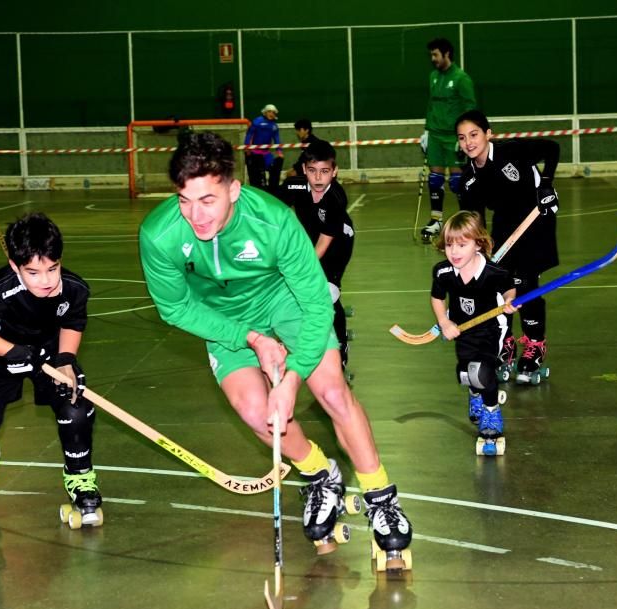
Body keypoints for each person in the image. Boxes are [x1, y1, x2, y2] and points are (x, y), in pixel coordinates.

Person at [139, 132, 412, 568]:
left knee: (332, 391)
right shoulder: (160, 235)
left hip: (284, 300)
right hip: (225, 322)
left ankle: (381, 497)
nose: (195, 215)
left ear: (233, 188)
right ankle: (320, 475)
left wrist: (293, 375)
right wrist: (251, 338)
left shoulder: (273, 220)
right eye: (185, 200)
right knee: (255, 411)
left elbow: (315, 301)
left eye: (207, 200)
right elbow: (175, 307)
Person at [0, 213, 102, 527]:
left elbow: (72, 323)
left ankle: (80, 479)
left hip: (47, 354)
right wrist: (15, 351)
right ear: (15, 266)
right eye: (33, 272)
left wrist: (65, 360)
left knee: (75, 406)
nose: (46, 281)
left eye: (53, 268)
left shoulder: (74, 289)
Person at [455, 110, 560, 385]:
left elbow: (552, 148)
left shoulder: (512, 151)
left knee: (525, 282)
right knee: (500, 285)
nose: (469, 142)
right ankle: (507, 343)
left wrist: (546, 185)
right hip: (504, 227)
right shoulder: (468, 179)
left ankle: (535, 344)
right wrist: (477, 254)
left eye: (474, 135)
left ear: (488, 134)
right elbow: (474, 221)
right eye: (462, 138)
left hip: (535, 217)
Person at [431, 211, 517, 454]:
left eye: (461, 244)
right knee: (465, 373)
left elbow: (509, 290)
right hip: (462, 329)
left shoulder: (494, 272)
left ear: (478, 243)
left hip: (491, 328)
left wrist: (510, 302)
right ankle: (475, 394)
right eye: (449, 245)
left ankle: (491, 413)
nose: (454, 252)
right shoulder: (443, 272)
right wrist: (444, 322)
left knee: (482, 371)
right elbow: (437, 298)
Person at [279, 140, 354, 374]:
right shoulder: (294, 186)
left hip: (337, 243)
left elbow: (324, 243)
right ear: (304, 170)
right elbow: (273, 210)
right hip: (310, 238)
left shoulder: (336, 198)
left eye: (324, 172)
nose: (318, 178)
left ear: (335, 171)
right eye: (312, 171)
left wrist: (301, 268)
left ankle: (340, 348)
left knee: (328, 292)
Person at [420, 37, 476, 242]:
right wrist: (426, 131)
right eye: (431, 55)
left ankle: (465, 221)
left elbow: (470, 108)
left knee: (456, 181)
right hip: (434, 134)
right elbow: (431, 104)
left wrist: (465, 137)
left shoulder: (462, 79)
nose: (433, 59)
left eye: (435, 55)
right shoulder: (433, 76)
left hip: (453, 136)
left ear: (447, 55)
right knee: (434, 179)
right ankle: (436, 221)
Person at [243, 103, 284, 195]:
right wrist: (247, 147)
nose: (271, 114)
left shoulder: (274, 126)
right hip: (255, 152)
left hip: (266, 153)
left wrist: (279, 151)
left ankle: (272, 192)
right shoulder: (257, 122)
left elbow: (277, 139)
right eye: (269, 111)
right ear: (265, 112)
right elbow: (249, 134)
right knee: (258, 176)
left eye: (273, 112)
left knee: (274, 167)